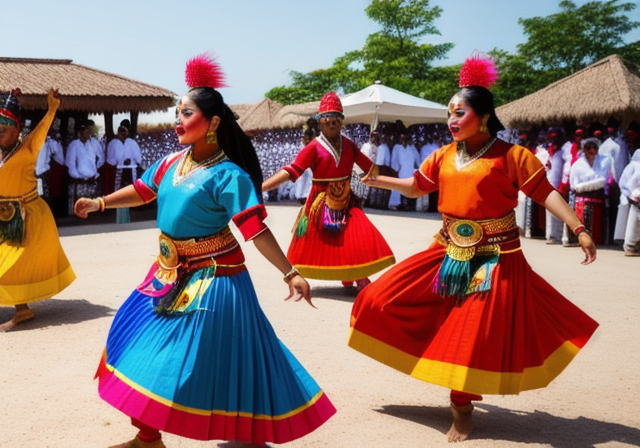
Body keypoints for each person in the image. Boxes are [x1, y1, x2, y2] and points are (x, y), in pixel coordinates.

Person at [74, 54, 335, 448]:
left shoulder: (229, 175)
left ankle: (249, 434)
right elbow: (144, 191)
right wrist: (100, 202)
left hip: (214, 280)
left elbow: (255, 230)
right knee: (133, 342)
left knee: (223, 359)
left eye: (187, 113)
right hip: (167, 274)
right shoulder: (170, 162)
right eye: (178, 113)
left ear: (213, 123)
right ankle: (148, 438)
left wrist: (289, 271)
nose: (179, 121)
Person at [347, 54, 598, 443]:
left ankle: (461, 411)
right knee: (377, 298)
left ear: (482, 116)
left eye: (459, 112)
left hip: (496, 259)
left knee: (469, 335)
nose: (451, 120)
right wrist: (378, 180)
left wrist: (578, 227)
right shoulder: (445, 154)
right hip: (446, 250)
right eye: (450, 113)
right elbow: (417, 186)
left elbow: (545, 192)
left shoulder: (513, 156)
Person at [262, 92, 395, 291]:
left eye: (336, 121)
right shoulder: (313, 148)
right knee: (313, 244)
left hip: (347, 199)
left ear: (341, 122)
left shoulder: (349, 145)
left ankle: (357, 275)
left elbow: (370, 169)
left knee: (356, 233)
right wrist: (261, 186)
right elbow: (292, 171)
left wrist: (395, 181)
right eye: (328, 121)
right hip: (320, 202)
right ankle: (297, 276)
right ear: (321, 123)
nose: (332, 125)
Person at [0, 88, 75, 332]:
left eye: (6, 124)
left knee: (9, 265)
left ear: (17, 129)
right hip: (3, 214)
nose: (0, 128)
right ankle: (22, 308)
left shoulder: (28, 148)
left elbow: (41, 130)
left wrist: (52, 108)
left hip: (27, 215)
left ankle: (22, 310)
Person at [569, 138, 612, 245]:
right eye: (589, 148)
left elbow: (605, 180)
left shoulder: (604, 161)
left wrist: (593, 185)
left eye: (594, 148)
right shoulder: (577, 165)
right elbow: (574, 185)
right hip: (582, 199)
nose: (592, 150)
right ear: (584, 149)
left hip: (598, 198)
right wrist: (592, 185)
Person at [65, 119, 104, 215]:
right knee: (79, 207)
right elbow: (70, 163)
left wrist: (95, 170)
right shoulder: (74, 145)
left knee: (92, 207)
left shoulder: (94, 143)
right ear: (80, 133)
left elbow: (101, 158)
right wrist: (79, 176)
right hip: (79, 180)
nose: (88, 132)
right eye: (86, 130)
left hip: (92, 179)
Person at [388, 132, 421, 211]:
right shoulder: (398, 148)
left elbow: (418, 161)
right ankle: (396, 204)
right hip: (401, 173)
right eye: (402, 139)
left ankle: (409, 205)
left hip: (410, 174)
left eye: (405, 139)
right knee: (397, 189)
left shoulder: (412, 149)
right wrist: (395, 170)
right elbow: (394, 162)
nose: (404, 141)